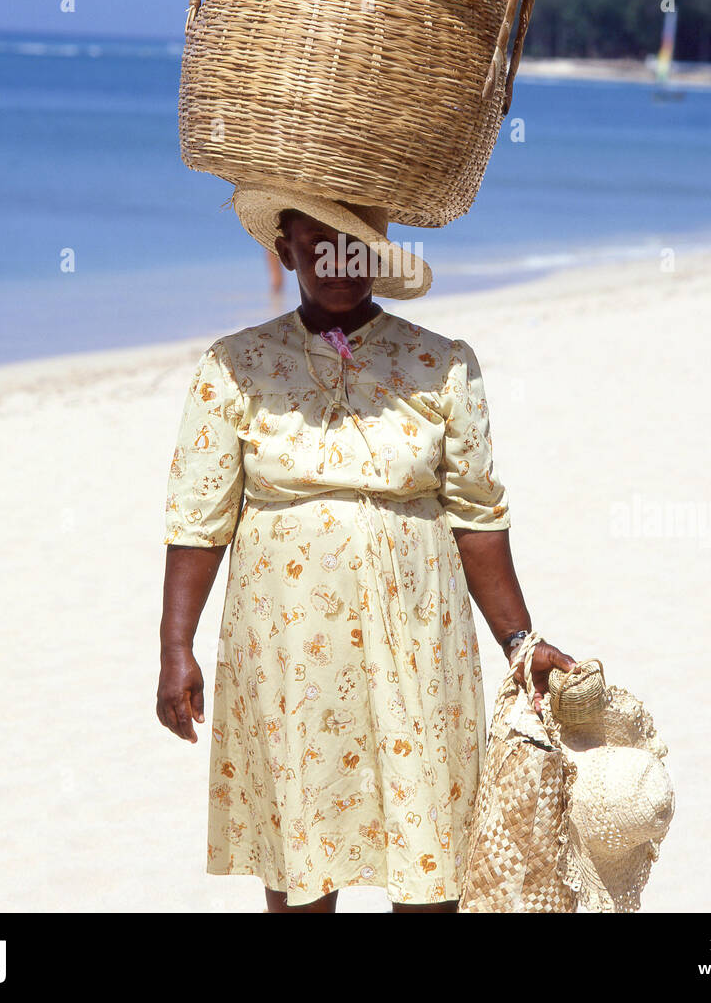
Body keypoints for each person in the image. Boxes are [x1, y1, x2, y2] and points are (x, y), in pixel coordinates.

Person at [157, 190, 575, 913]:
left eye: (356, 243)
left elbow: (478, 518)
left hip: (419, 639)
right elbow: (199, 519)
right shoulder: (234, 367)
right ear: (285, 251)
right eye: (319, 242)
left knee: (431, 853)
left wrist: (519, 640)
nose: (340, 261)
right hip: (287, 647)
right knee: (302, 856)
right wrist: (175, 647)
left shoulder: (441, 365)